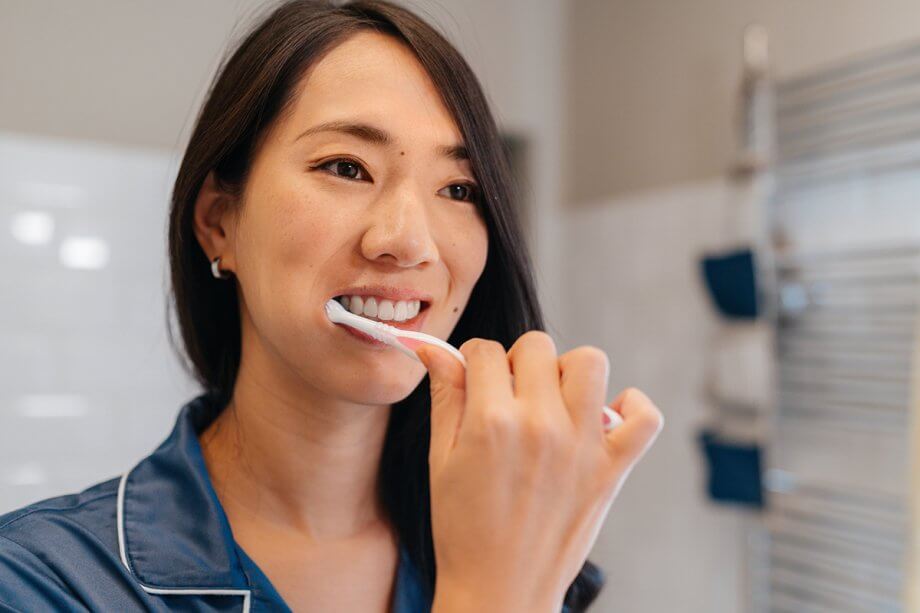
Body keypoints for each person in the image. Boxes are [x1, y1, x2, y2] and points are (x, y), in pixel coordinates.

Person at [0, 1, 664, 611]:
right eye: (346, 167)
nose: (408, 241)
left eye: (459, 188)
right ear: (219, 221)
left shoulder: (524, 549)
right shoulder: (39, 580)